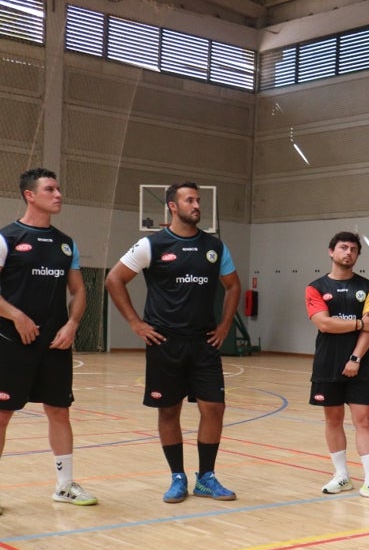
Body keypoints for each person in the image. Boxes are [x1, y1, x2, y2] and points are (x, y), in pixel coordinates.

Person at [105, 182, 241, 503]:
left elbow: (233, 287)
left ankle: (206, 476)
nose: (196, 205)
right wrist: (136, 324)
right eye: (189, 200)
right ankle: (177, 477)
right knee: (169, 411)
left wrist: (223, 326)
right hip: (165, 342)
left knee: (215, 408)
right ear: (172, 206)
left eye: (198, 200)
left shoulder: (215, 247)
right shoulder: (151, 245)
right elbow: (114, 279)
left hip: (204, 342)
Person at [0, 168, 98, 509]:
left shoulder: (66, 243)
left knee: (59, 411)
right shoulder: (6, 238)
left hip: (55, 343)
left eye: (59, 189)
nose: (58, 195)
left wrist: (72, 324)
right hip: (12, 342)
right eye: (50, 189)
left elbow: (79, 290)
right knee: (2, 414)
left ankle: (65, 485)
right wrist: (16, 316)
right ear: (30, 195)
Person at [306, 232, 369, 500]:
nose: (348, 253)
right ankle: (341, 476)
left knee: (364, 421)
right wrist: (357, 323)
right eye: (343, 248)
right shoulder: (316, 287)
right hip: (326, 363)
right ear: (331, 251)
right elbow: (324, 323)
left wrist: (355, 359)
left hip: (360, 365)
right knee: (333, 420)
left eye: (354, 249)